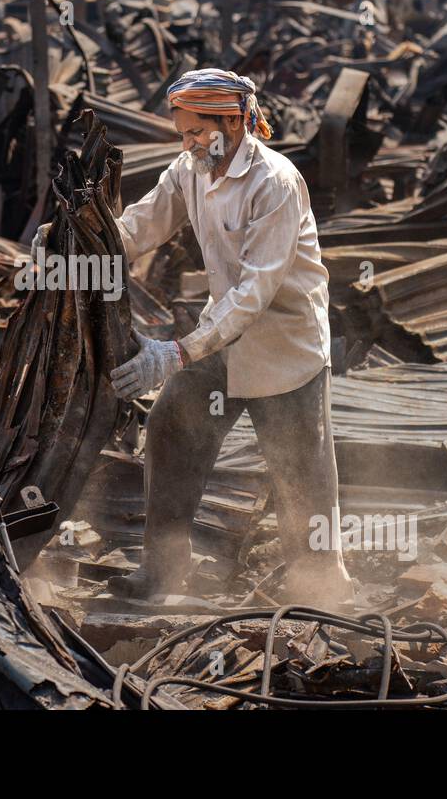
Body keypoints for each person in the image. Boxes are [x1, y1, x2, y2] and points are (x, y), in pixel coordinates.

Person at [104, 67, 354, 606]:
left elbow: (254, 292)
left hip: (285, 346)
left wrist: (176, 351)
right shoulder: (189, 169)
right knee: (172, 430)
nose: (189, 142)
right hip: (221, 339)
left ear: (234, 121)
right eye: (182, 133)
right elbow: (140, 226)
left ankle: (321, 591)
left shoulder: (276, 183)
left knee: (299, 472)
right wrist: (79, 248)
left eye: (197, 131)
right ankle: (162, 573)